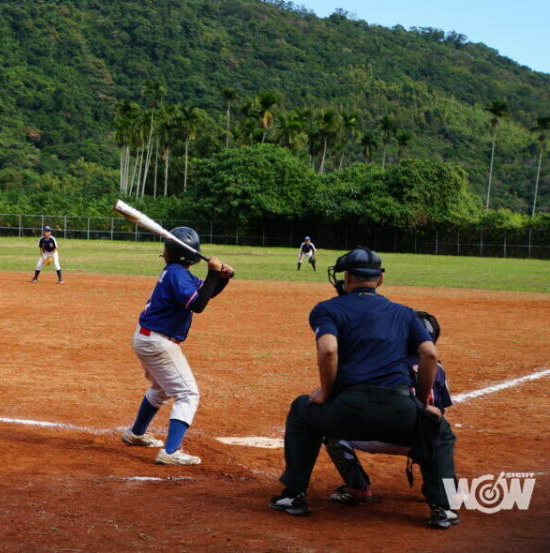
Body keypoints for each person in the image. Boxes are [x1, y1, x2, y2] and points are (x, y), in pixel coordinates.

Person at [268, 247, 459, 529]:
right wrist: (419, 402)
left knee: (301, 410)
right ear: (379, 279)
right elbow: (430, 355)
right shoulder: (404, 313)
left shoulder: (328, 309)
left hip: (348, 412)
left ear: (346, 278)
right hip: (399, 411)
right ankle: (443, 508)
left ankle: (294, 495)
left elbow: (329, 350)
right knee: (439, 430)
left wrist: (326, 391)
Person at [324, 310, 457, 514]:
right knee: (439, 434)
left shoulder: (381, 364)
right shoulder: (436, 367)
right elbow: (440, 410)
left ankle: (357, 488)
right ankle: (440, 491)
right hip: (421, 442)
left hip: (379, 434)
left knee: (331, 429)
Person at [121, 227, 234, 465]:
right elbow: (197, 305)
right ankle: (171, 452)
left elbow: (204, 293)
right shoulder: (176, 274)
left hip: (148, 338)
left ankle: (136, 433)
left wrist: (221, 278)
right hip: (158, 342)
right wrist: (214, 274)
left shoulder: (177, 272)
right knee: (187, 394)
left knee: (161, 389)